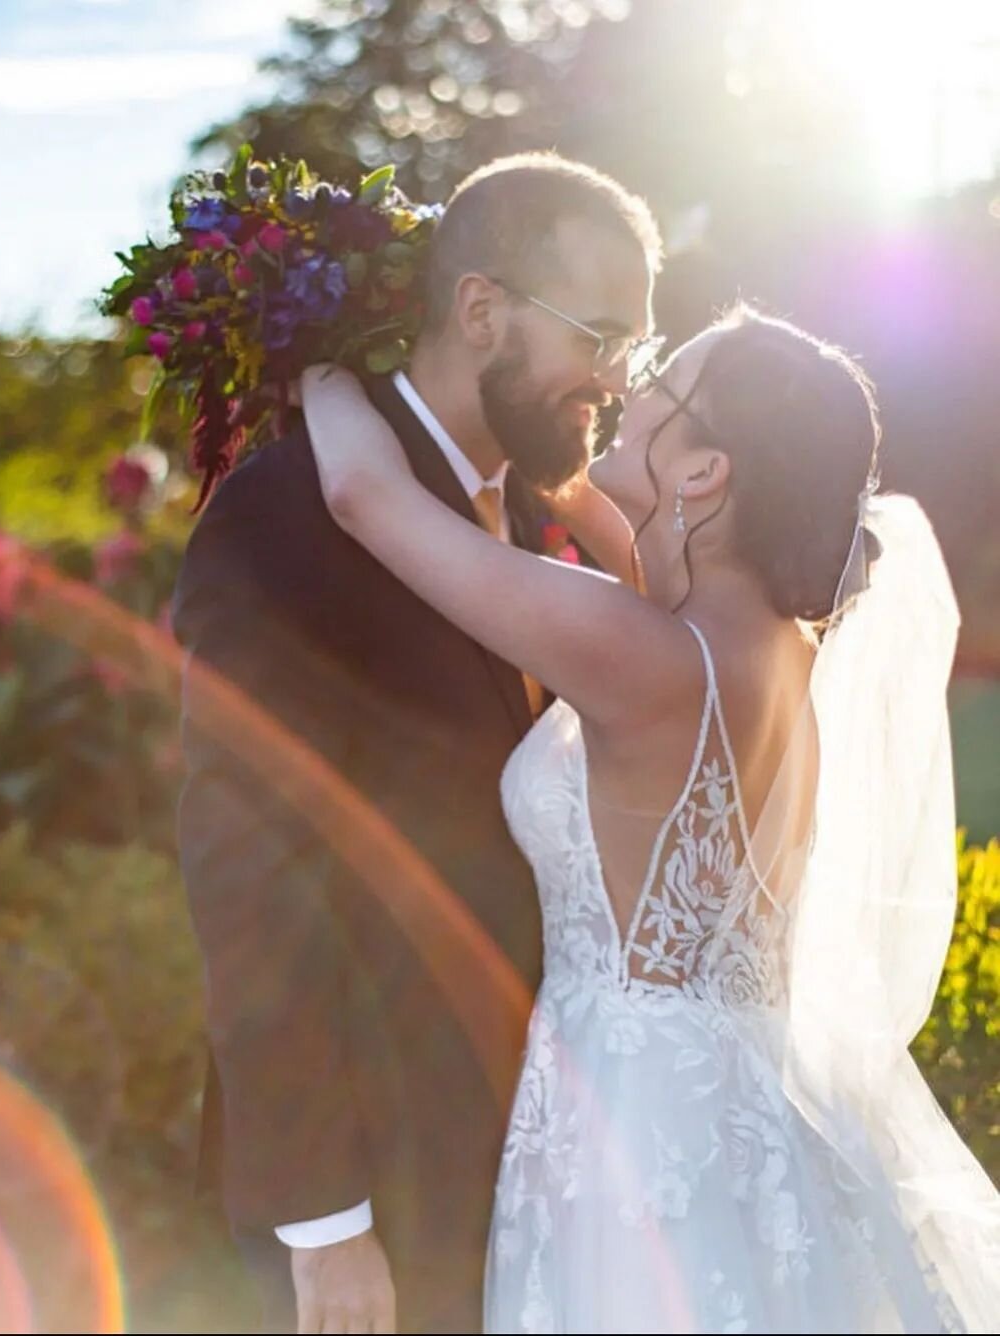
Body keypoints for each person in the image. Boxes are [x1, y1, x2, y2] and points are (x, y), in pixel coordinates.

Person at [298, 302, 1000, 1333]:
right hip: (744, 1105)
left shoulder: (638, 656)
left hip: (635, 1136)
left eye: (658, 385)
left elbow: (363, 494)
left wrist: (313, 346)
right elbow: (617, 527)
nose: (628, 390)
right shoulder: (765, 643)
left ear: (704, 471)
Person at [172, 152, 662, 1333]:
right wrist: (324, 1222)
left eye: (630, 347)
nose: (611, 378)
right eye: (595, 333)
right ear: (480, 310)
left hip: (530, 1165)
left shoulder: (551, 522)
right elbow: (250, 875)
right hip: (371, 1193)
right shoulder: (287, 515)